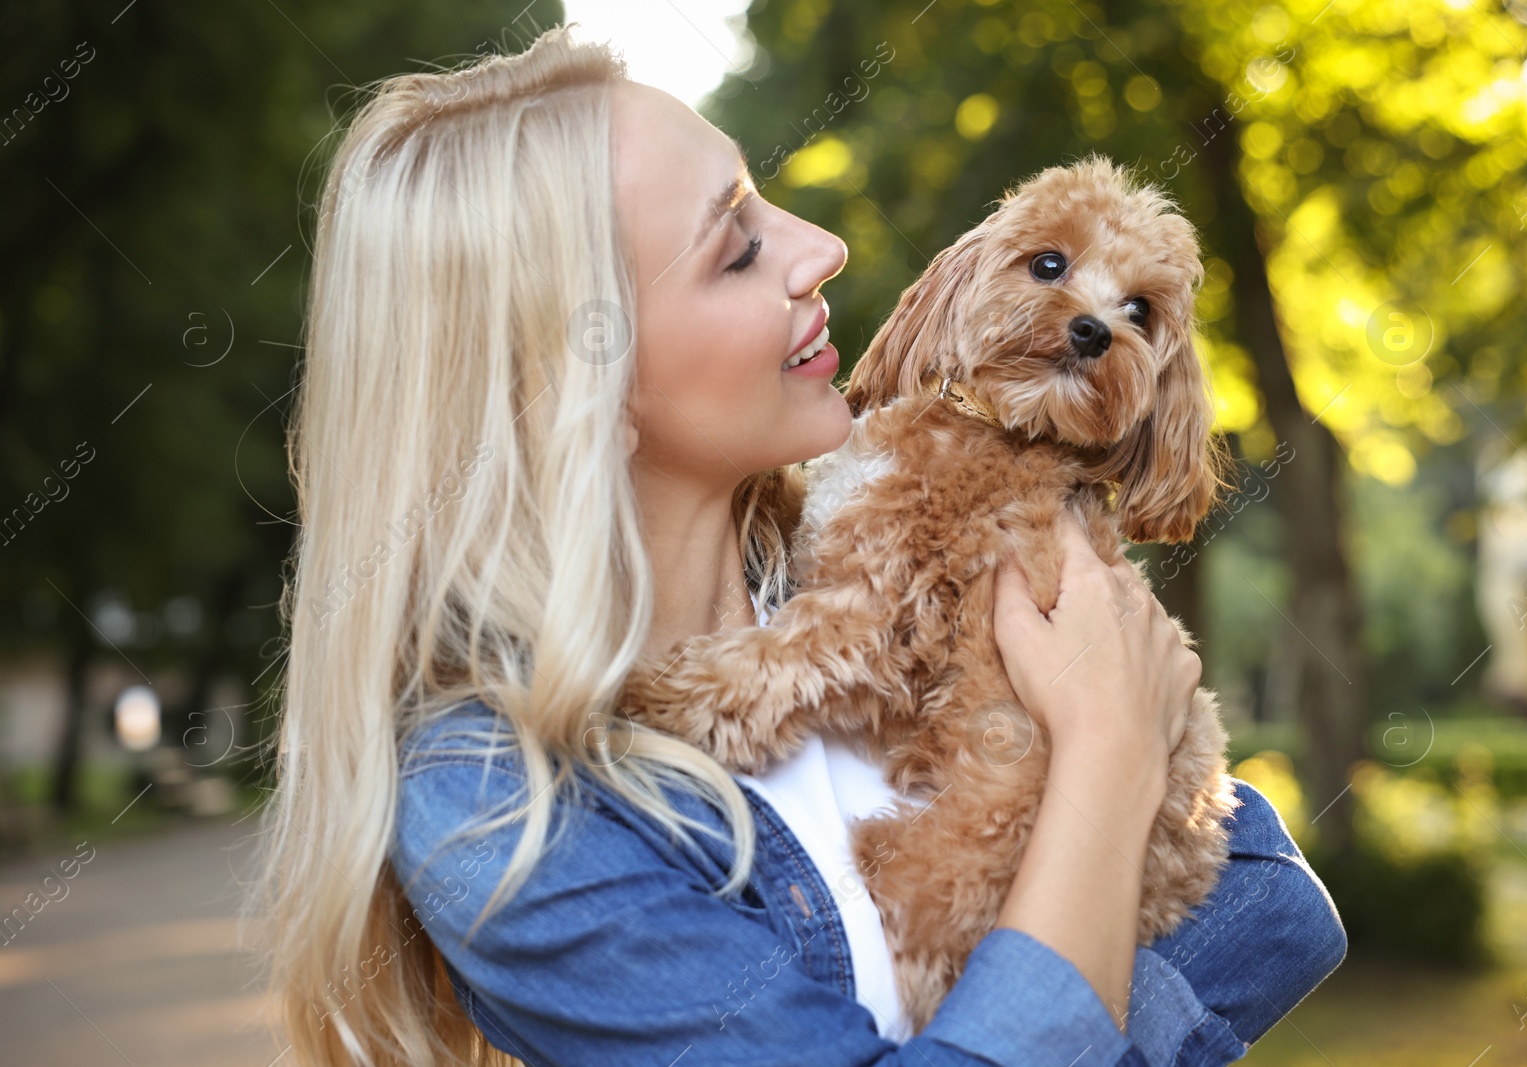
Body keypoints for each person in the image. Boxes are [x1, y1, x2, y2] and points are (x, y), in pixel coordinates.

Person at [251, 24, 1346, 1067]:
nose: (825, 249)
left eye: (767, 202)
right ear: (580, 379)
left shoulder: (892, 538)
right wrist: (1108, 749)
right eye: (736, 249)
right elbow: (1200, 881)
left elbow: (1272, 900)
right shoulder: (496, 807)